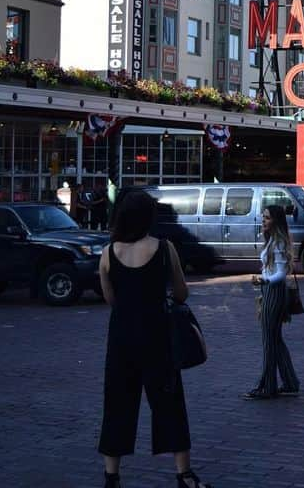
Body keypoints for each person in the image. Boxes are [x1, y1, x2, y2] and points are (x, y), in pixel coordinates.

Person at [97, 190, 209, 488]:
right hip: (158, 337)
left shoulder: (109, 253)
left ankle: (112, 477)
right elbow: (182, 292)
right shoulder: (164, 248)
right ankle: (184, 475)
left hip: (122, 339)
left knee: (118, 405)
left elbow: (110, 298)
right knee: (170, 403)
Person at [246, 204, 300, 400]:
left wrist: (264, 279)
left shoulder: (278, 242)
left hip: (274, 292)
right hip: (271, 291)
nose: (263, 220)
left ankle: (268, 386)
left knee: (269, 341)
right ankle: (290, 382)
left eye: (267, 218)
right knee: (275, 340)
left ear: (276, 220)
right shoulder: (273, 240)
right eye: (263, 217)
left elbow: (281, 273)